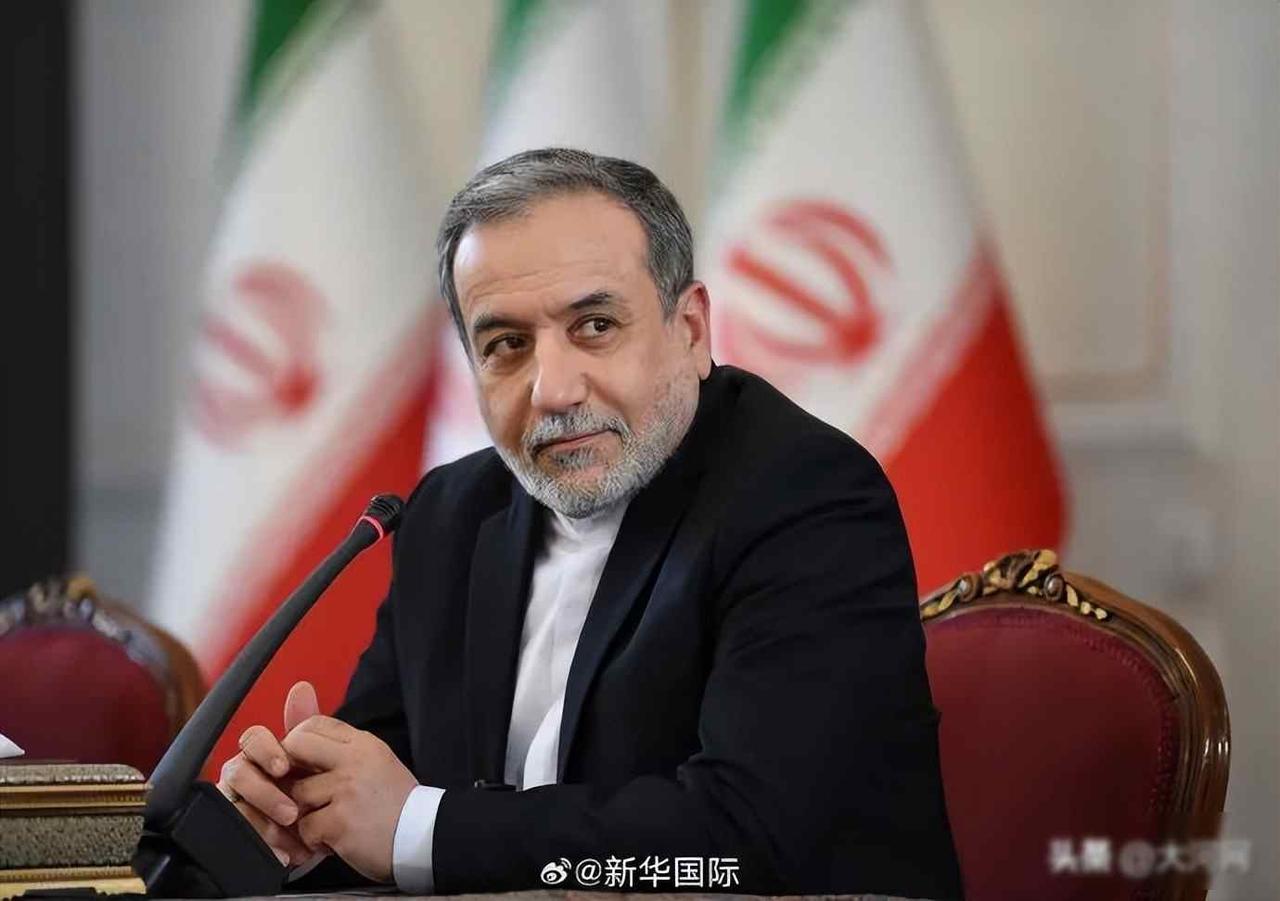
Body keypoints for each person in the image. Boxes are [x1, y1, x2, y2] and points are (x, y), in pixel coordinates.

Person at [217, 147, 964, 898]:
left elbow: (746, 843)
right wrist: (301, 821)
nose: (552, 389)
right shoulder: (451, 516)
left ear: (692, 330)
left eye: (596, 325)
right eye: (507, 345)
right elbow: (379, 803)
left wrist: (424, 828)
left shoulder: (803, 497)